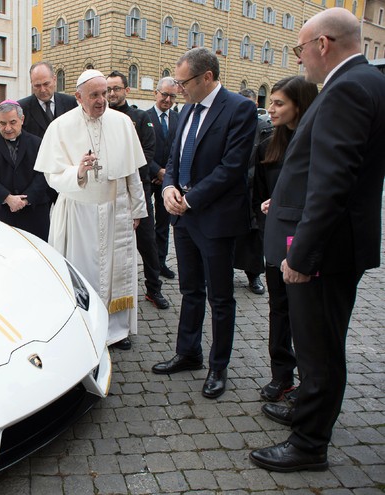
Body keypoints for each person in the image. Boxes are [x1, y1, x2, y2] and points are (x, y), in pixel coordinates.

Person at [250, 8, 385, 472]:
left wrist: (302, 255)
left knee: (318, 350)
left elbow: (333, 183)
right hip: (338, 244)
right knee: (319, 345)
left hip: (324, 251)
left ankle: (309, 444)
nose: (300, 58)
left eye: (299, 49)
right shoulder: (369, 82)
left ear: (322, 45)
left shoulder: (346, 89)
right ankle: (306, 413)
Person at [151, 48, 257, 400]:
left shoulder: (239, 109)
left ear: (207, 77)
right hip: (183, 218)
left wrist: (190, 198)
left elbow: (232, 167)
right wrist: (168, 188)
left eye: (184, 82)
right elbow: (172, 157)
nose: (178, 89)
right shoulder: (185, 110)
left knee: (221, 297)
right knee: (190, 290)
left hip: (215, 219)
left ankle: (218, 366)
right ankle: (189, 352)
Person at [34, 69, 146, 347]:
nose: (101, 100)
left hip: (114, 210)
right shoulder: (60, 126)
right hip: (78, 214)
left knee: (115, 271)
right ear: (78, 97)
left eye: (104, 93)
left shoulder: (121, 122)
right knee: (85, 272)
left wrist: (137, 210)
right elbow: (52, 175)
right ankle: (86, 327)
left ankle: (117, 329)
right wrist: (78, 172)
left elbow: (132, 172)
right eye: (94, 95)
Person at [252, 76, 318, 403]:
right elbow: (260, 193)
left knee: (304, 316)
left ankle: (310, 385)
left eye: (279, 103)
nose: (271, 109)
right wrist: (265, 205)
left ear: (299, 105)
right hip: (276, 240)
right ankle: (282, 376)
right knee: (278, 310)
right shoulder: (268, 144)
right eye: (271, 102)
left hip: (305, 241)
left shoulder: (316, 144)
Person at [106, 70, 170, 330]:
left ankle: (153, 288)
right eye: (108, 90)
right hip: (109, 194)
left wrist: (127, 173)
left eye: (116, 89)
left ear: (126, 90)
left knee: (147, 243)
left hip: (136, 190)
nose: (111, 94)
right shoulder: (103, 117)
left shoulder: (140, 118)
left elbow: (147, 152)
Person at [0, 100, 51, 241]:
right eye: (3, 123)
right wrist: (8, 198)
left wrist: (26, 199)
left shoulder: (37, 143)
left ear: (22, 119)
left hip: (34, 211)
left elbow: (43, 174)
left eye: (12, 122)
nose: (8, 128)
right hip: (2, 211)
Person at [234, 88, 269, 295]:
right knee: (230, 235)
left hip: (255, 189)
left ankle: (253, 275)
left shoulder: (265, 128)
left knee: (254, 238)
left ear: (255, 106)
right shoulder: (232, 124)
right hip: (234, 190)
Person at [146, 77, 179, 281]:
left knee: (164, 225)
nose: (167, 99)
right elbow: (141, 150)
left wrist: (168, 173)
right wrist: (157, 171)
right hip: (149, 178)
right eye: (164, 94)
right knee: (147, 224)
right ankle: (150, 263)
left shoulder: (177, 118)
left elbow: (178, 148)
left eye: (172, 96)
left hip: (168, 181)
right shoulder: (144, 117)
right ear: (156, 93)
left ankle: (161, 262)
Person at [17, 61, 78, 139]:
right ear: (31, 84)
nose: (42, 90)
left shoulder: (70, 103)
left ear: (54, 80)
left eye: (46, 84)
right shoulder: (22, 108)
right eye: (37, 85)